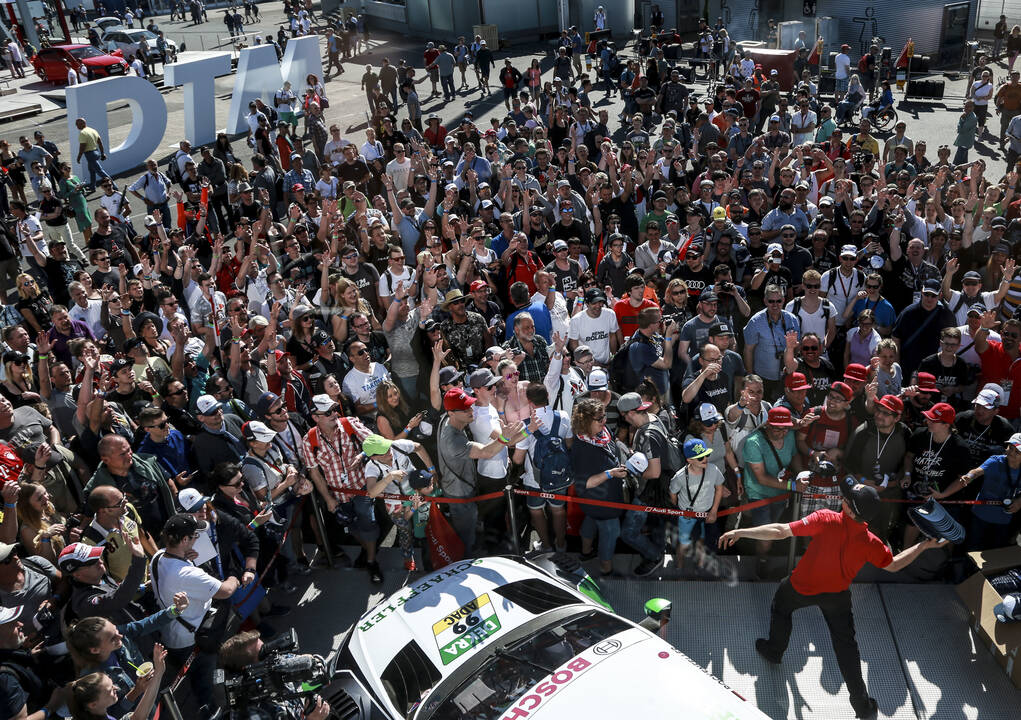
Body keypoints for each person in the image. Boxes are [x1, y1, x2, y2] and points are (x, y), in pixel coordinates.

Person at [720, 478, 945, 720]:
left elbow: (781, 531)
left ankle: (775, 651)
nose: (843, 499)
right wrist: (923, 546)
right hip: (837, 596)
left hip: (800, 588)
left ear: (849, 508)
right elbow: (894, 565)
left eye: (847, 499)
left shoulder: (826, 518)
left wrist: (740, 531)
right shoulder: (871, 542)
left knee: (781, 609)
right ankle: (863, 708)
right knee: (846, 648)